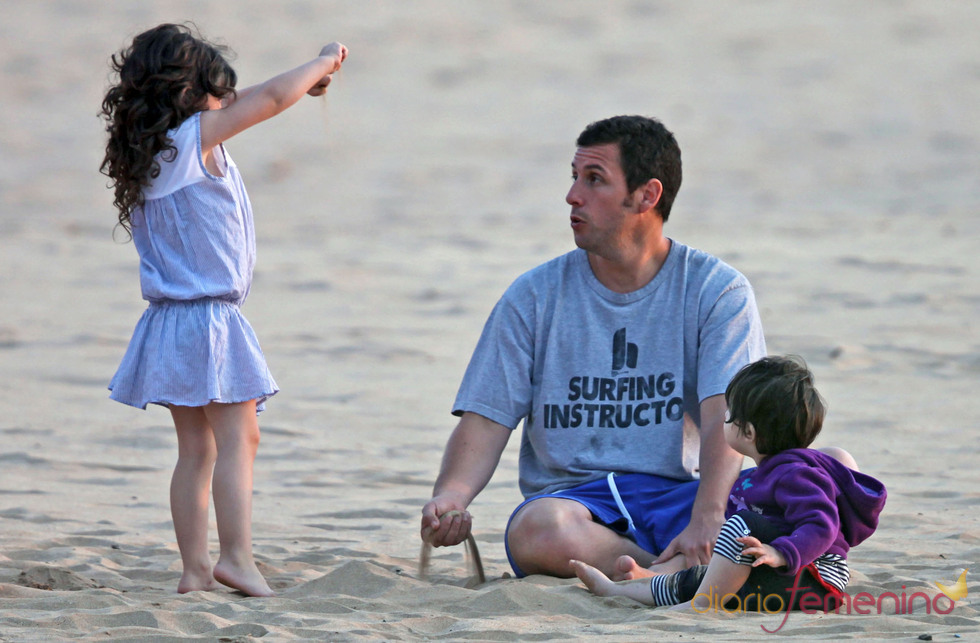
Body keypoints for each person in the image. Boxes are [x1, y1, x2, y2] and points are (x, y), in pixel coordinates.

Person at [421, 115, 768, 579]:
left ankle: (692, 567)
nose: (572, 195)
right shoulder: (533, 296)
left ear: (647, 195)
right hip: (579, 504)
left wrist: (707, 517)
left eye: (594, 179)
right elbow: (485, 419)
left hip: (681, 495)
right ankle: (681, 576)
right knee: (537, 531)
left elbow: (724, 418)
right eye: (574, 177)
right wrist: (452, 496)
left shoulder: (717, 291)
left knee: (831, 471)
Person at [100, 23, 348, 596]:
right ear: (193, 95)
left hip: (167, 321)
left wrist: (304, 79)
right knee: (241, 438)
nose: (226, 102)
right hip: (208, 317)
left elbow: (250, 96)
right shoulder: (195, 139)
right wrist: (322, 60)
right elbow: (269, 98)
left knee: (195, 449)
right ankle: (236, 557)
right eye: (217, 91)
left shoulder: (152, 154)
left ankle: (193, 571)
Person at [569, 355, 887, 613]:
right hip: (772, 579)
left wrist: (783, 552)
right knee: (695, 578)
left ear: (747, 432)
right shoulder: (764, 473)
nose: (725, 420)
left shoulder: (796, 474)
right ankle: (618, 590)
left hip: (813, 581)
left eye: (729, 415)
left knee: (741, 525)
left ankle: (700, 605)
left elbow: (823, 525)